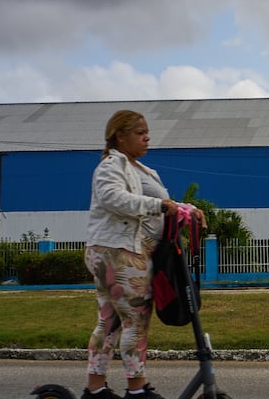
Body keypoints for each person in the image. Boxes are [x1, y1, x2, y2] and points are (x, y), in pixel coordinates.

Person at [82, 110, 206, 399]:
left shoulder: (141, 169)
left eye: (146, 132)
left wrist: (186, 209)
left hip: (119, 252)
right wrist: (158, 206)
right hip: (120, 252)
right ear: (119, 136)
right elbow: (114, 198)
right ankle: (137, 390)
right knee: (135, 322)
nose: (147, 137)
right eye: (140, 132)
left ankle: (95, 388)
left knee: (110, 321)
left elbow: (162, 204)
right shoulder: (112, 165)